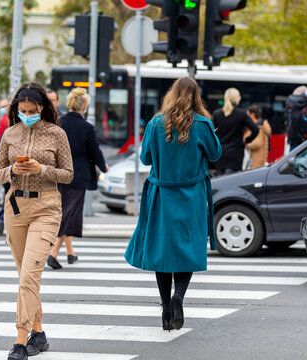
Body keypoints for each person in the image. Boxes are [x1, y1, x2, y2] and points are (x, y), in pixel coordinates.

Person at [124, 77, 222, 332]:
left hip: (162, 195)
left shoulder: (156, 123)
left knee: (163, 252)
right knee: (187, 250)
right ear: (196, 97)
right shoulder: (202, 124)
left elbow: (145, 158)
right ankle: (179, 297)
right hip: (192, 195)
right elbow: (215, 155)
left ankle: (166, 307)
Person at [0, 82, 73, 360]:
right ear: (16, 108)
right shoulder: (9, 134)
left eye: (33, 110)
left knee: (29, 275)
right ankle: (39, 333)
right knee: (26, 278)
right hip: (15, 207)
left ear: (43, 109)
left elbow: (69, 174)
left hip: (46, 207)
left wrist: (43, 169)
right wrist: (12, 169)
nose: (28, 114)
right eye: (23, 110)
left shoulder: (56, 134)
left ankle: (20, 341)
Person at [46, 88, 108, 270]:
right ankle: (53, 253)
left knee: (65, 211)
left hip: (57, 173)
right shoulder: (87, 127)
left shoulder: (58, 122)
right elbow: (94, 151)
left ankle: (70, 252)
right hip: (77, 174)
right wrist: (103, 166)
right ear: (85, 106)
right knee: (69, 213)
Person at [211, 88, 259, 176]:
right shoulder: (242, 114)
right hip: (236, 154)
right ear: (237, 99)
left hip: (220, 154)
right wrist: (247, 140)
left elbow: (212, 133)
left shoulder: (216, 114)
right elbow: (255, 129)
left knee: (219, 182)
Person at [0, 98, 11, 235]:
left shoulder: (4, 121)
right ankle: (4, 219)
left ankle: (2, 219)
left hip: (6, 167)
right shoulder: (6, 121)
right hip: (12, 168)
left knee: (8, 195)